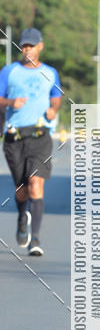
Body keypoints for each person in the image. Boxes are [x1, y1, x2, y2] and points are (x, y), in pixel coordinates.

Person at [0, 27, 62, 256]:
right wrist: (10, 103)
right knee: (21, 188)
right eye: (24, 46)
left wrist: (53, 110)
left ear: (40, 47)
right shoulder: (9, 72)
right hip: (14, 137)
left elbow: (56, 98)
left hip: (40, 135)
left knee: (36, 183)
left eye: (31, 46)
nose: (27, 50)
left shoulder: (50, 73)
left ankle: (35, 239)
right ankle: (21, 217)